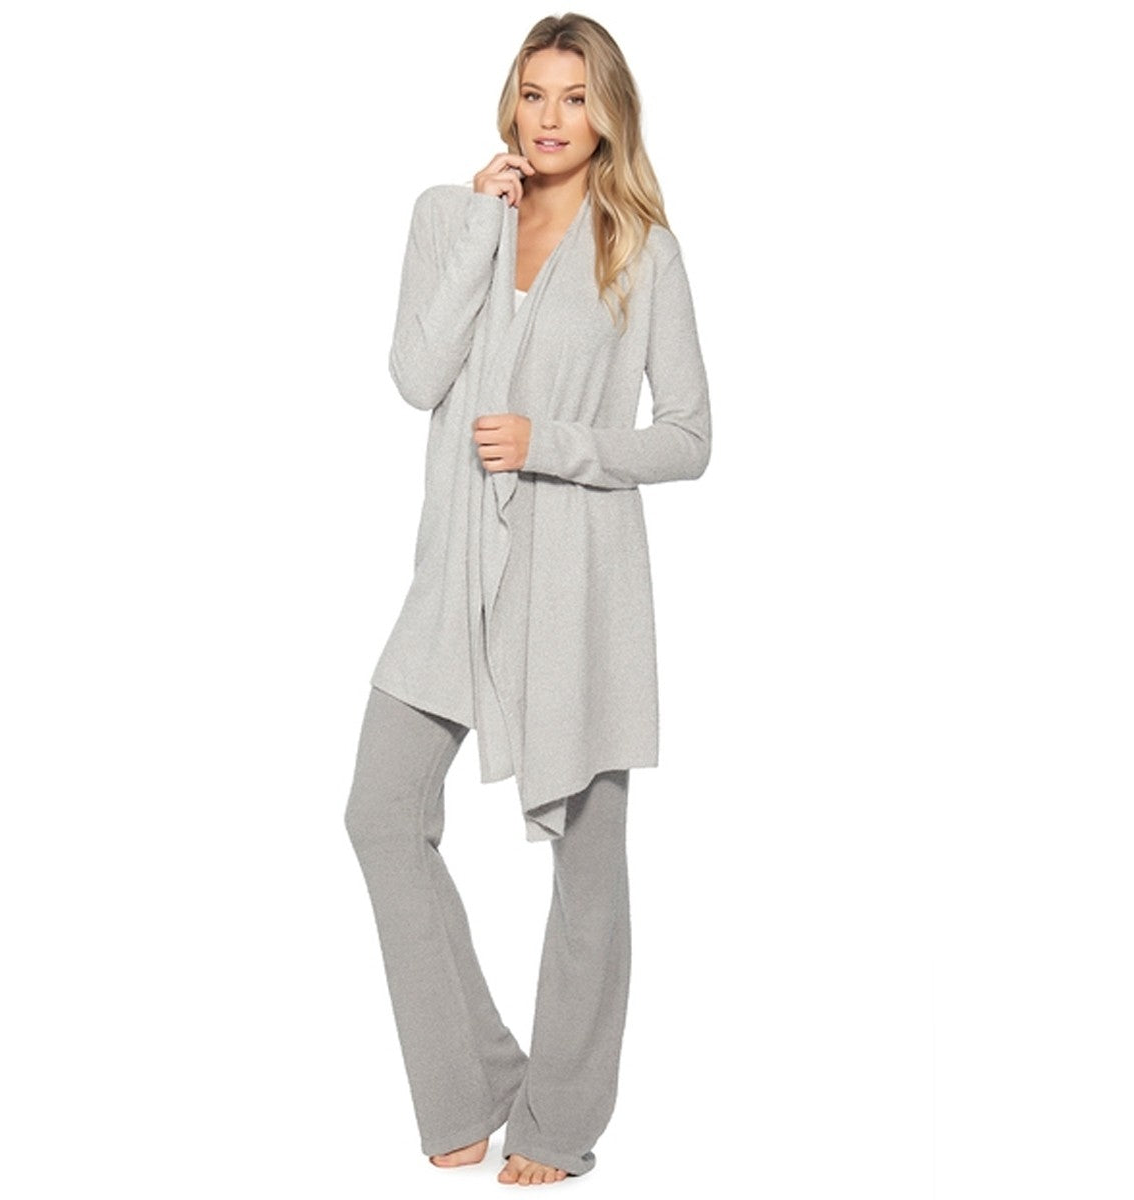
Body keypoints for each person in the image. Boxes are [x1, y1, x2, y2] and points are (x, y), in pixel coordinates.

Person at [344, 12, 711, 1185]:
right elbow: (416, 377)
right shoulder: (448, 216)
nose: (550, 118)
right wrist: (478, 229)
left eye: (575, 97)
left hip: (577, 587)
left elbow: (689, 437)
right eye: (534, 93)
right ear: (511, 101)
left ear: (609, 114)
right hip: (453, 574)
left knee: (589, 868)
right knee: (382, 811)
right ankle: (468, 1084)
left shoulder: (641, 248)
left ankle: (557, 1122)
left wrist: (553, 442)